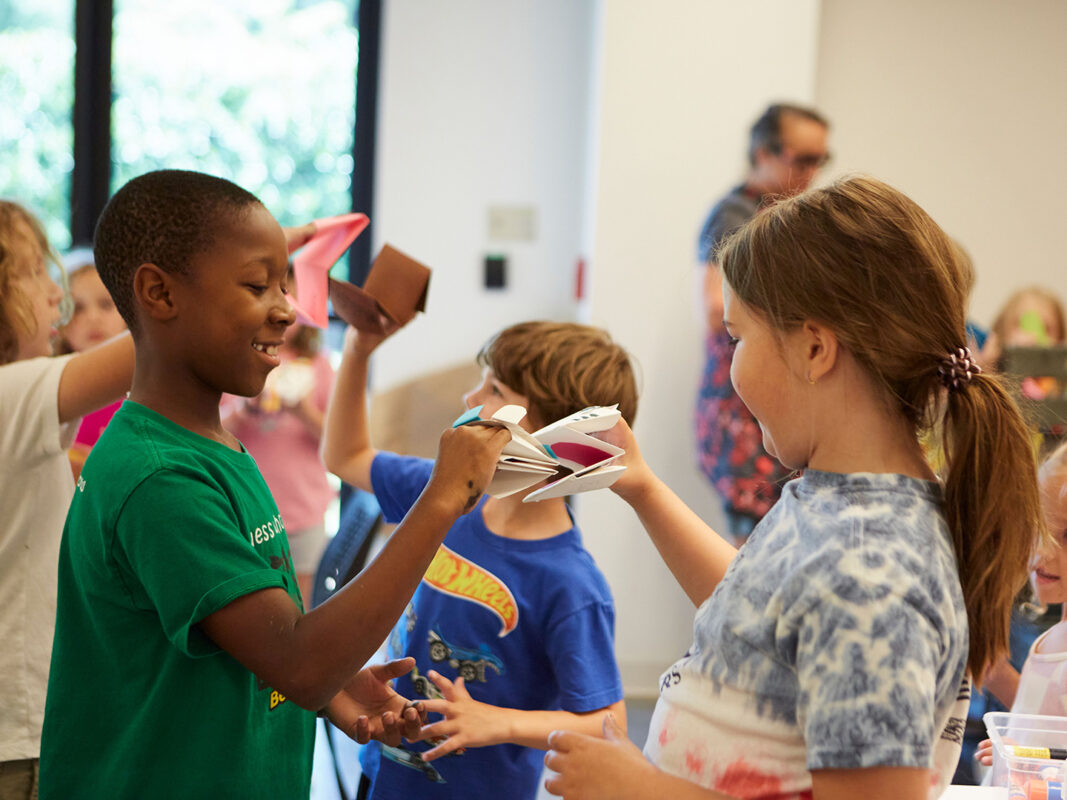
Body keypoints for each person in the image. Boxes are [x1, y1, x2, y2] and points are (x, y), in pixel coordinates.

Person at [544, 176, 1043, 800]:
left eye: (737, 337)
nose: (731, 365)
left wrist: (643, 790)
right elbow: (763, 609)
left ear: (813, 348)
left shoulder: (872, 567)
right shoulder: (836, 498)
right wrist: (641, 487)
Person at [38, 169, 509, 799]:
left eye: (285, 284)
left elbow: (266, 640)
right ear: (159, 293)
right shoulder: (161, 477)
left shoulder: (213, 446)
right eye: (258, 286)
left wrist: (335, 687)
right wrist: (443, 496)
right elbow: (298, 657)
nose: (288, 310)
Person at [322, 320, 636, 800]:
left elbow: (608, 722)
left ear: (560, 436)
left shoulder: (570, 585)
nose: (471, 398)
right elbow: (345, 456)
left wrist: (500, 723)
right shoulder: (444, 493)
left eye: (494, 388)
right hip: (383, 774)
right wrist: (359, 347)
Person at [0, 201, 134, 800]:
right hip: (20, 727)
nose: (56, 294)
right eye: (34, 273)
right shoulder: (14, 390)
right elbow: (160, 344)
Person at [695, 102, 831, 544]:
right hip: (743, 411)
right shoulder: (736, 216)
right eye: (803, 159)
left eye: (821, 160)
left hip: (766, 406)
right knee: (754, 553)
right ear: (762, 153)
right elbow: (717, 309)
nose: (813, 172)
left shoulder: (789, 218)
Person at [223, 268, 336, 603]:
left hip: (304, 510)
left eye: (293, 298)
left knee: (301, 602)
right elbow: (209, 432)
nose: (284, 310)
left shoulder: (318, 365)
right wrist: (245, 410)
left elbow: (338, 441)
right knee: (249, 599)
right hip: (243, 513)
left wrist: (303, 411)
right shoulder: (233, 363)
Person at [975, 440, 1067, 772]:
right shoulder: (1054, 639)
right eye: (1040, 525)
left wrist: (1032, 759)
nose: (1044, 551)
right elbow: (1047, 724)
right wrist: (997, 675)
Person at [54, 255, 129, 478]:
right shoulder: (55, 387)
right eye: (77, 308)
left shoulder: (146, 388)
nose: (93, 318)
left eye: (106, 304)